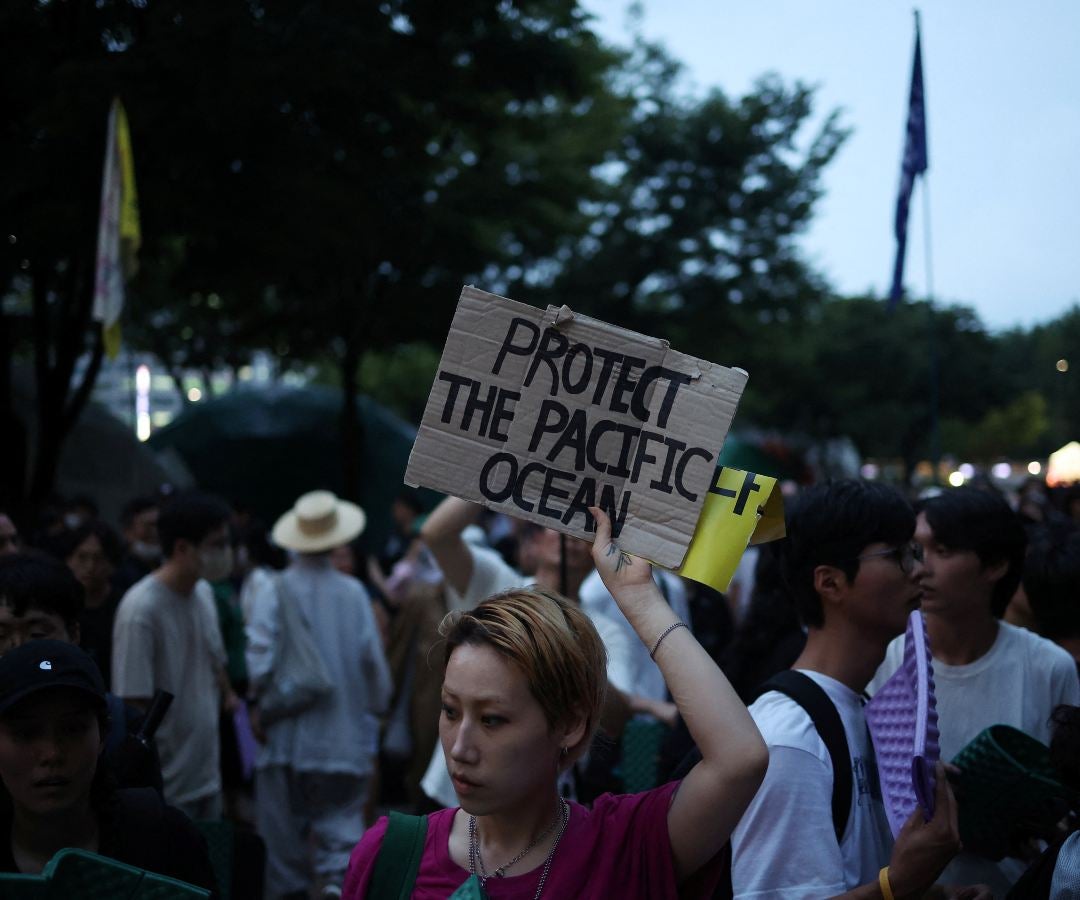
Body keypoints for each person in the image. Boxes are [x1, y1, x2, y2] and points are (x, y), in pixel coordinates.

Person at [342, 505, 768, 898]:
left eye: (492, 720)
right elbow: (438, 531)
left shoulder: (622, 847)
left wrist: (638, 595)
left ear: (570, 724)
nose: (459, 748)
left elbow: (740, 759)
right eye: (450, 710)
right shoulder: (388, 856)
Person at [731, 479, 971, 899]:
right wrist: (898, 884)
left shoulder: (858, 706)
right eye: (899, 555)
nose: (920, 570)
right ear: (830, 583)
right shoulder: (792, 740)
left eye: (913, 551)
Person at [871, 487, 1080, 893]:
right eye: (914, 549)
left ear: (996, 565)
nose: (921, 567)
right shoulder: (888, 659)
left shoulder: (1048, 666)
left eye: (944, 550)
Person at [246, 490, 392, 900]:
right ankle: (333, 887)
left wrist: (259, 704)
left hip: (287, 742)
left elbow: (259, 665)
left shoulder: (274, 589)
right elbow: (375, 670)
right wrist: (376, 709)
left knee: (283, 852)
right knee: (341, 838)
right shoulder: (354, 594)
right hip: (342, 743)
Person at [0, 639, 217, 892]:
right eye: (27, 733)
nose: (52, 753)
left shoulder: (167, 841)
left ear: (103, 735)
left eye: (72, 729)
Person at [111, 491, 237, 820]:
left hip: (207, 775)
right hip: (167, 786)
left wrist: (228, 694)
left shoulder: (204, 593)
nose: (225, 552)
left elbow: (215, 662)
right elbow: (132, 705)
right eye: (216, 544)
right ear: (182, 548)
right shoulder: (141, 609)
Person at [0, 553, 162, 792]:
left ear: (73, 634)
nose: (18, 649)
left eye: (37, 635)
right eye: (1, 636)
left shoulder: (123, 725)